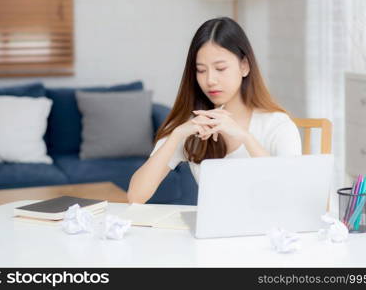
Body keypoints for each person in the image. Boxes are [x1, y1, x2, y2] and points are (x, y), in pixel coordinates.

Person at [127, 17, 301, 203]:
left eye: (220, 68)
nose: (210, 80)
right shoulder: (194, 125)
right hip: (213, 230)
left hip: (269, 230)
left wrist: (245, 138)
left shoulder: (276, 125)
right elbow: (135, 196)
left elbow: (292, 195)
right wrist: (176, 135)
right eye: (201, 70)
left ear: (244, 66)